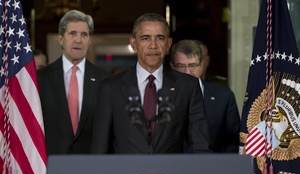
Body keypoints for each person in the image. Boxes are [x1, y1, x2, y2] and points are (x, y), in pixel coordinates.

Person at [90, 13, 211, 154]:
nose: (153, 45)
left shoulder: (188, 86)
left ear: (168, 44)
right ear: (134, 44)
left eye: (160, 38)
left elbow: (200, 146)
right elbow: (99, 150)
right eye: (145, 38)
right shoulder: (110, 88)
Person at [38, 10, 111, 155]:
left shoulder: (106, 81)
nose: (78, 40)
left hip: (91, 167)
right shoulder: (40, 79)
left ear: (89, 40)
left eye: (84, 35)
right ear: (60, 39)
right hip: (51, 167)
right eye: (72, 33)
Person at [170, 39, 240, 153]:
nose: (187, 72)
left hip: (213, 168)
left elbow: (234, 141)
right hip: (169, 168)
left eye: (192, 66)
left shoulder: (224, 97)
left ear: (201, 65)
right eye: (181, 66)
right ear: (172, 67)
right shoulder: (161, 96)